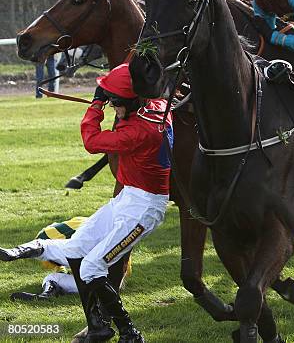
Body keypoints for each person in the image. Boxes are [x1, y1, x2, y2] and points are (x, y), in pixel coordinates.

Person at [59, 63, 172, 342]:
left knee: (91, 266)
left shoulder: (139, 131)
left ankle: (129, 333)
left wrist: (96, 104)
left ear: (134, 100)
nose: (111, 104)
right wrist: (116, 93)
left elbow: (92, 140)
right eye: (109, 99)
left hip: (144, 209)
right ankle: (97, 326)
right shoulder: (153, 106)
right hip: (127, 198)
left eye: (115, 100)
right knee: (74, 249)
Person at [1, 216, 131, 303]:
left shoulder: (48, 234)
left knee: (51, 273)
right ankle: (48, 294)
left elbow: (60, 267)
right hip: (114, 275)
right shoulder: (91, 221)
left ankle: (15, 253)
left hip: (91, 256)